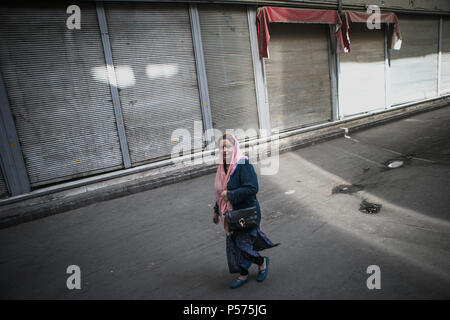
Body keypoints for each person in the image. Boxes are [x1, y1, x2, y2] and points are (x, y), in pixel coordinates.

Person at [213, 133, 279, 289]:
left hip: (245, 212)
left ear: (234, 147)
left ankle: (262, 262)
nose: (224, 150)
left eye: (227, 146)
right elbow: (219, 193)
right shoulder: (222, 168)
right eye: (221, 147)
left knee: (243, 245)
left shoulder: (243, 165)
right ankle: (243, 273)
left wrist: (231, 195)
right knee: (236, 245)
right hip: (229, 214)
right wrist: (216, 210)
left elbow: (252, 188)